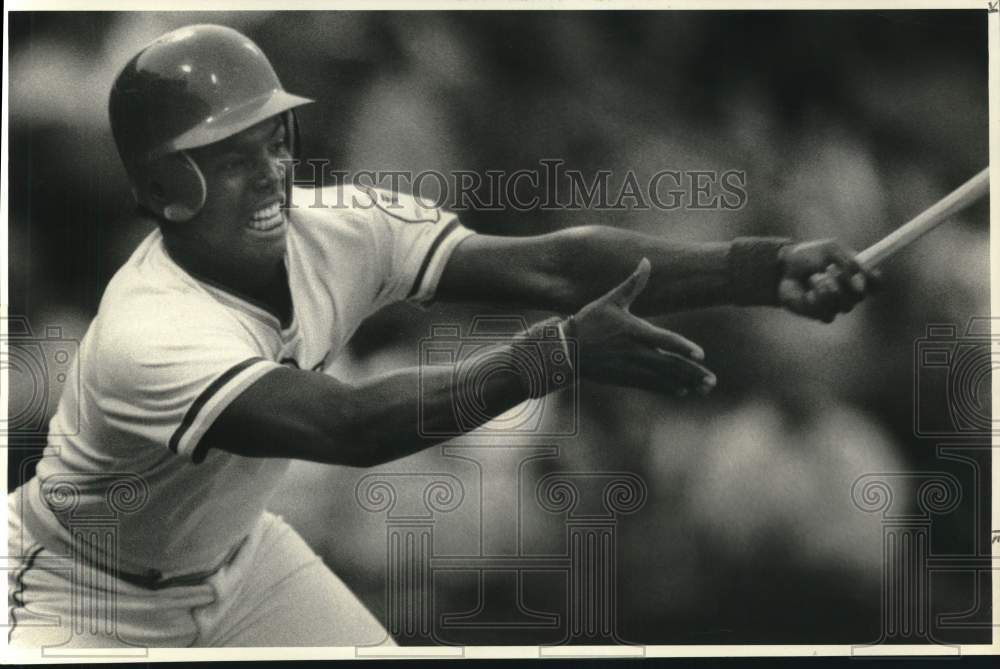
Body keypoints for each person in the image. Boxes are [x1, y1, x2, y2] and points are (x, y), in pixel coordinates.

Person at [6, 24, 877, 649]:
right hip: (78, 595)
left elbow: (550, 267)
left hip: (237, 559)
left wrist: (759, 269)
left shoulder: (336, 226)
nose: (271, 170)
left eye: (276, 142)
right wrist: (554, 356)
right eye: (233, 158)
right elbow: (349, 428)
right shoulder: (148, 328)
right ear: (166, 186)